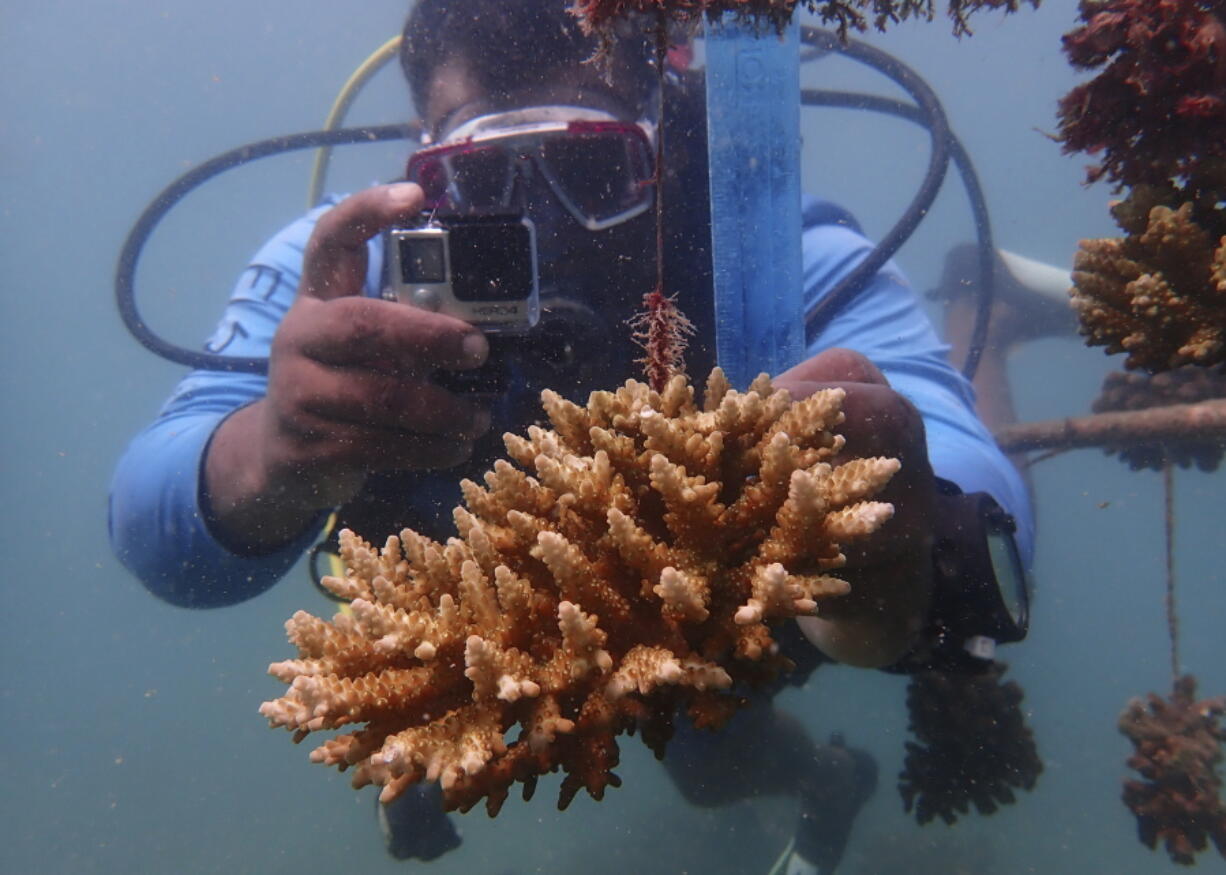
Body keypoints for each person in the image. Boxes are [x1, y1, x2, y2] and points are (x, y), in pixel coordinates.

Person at [109, 1, 1034, 870]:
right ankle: (816, 777)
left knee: (712, 738)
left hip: (710, 621)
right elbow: (151, 521)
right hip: (502, 625)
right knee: (714, 771)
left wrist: (899, 559)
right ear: (420, 163)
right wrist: (270, 452)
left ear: (663, 137)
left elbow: (964, 471)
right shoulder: (353, 263)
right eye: (480, 174)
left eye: (592, 168)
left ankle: (976, 297)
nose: (543, 221)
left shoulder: (765, 252)